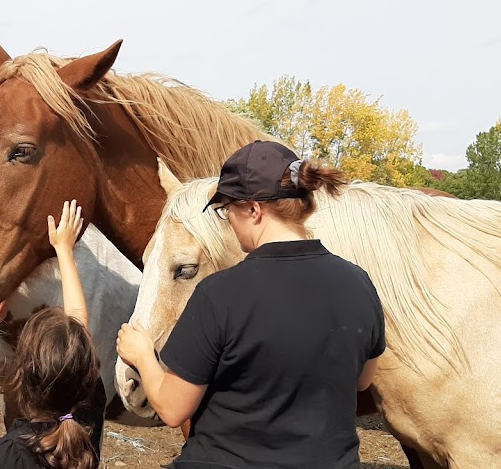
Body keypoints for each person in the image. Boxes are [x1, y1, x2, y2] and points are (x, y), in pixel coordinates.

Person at [116, 140, 386, 469]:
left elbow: (172, 410)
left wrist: (142, 355)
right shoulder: (359, 282)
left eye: (227, 209)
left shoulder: (219, 293)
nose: (227, 219)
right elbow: (363, 380)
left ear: (254, 210)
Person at [0, 200, 106, 469]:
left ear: (23, 376)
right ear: (86, 374)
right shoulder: (87, 423)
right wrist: (65, 250)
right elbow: (79, 327)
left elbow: (79, 332)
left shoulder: (9, 453)